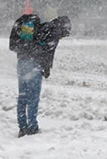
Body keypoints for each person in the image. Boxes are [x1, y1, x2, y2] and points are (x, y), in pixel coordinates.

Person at [8, 8, 71, 138]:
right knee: (33, 97)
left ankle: (22, 127)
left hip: (22, 62)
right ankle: (32, 127)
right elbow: (48, 52)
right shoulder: (54, 30)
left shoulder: (41, 26)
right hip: (34, 64)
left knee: (23, 96)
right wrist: (46, 68)